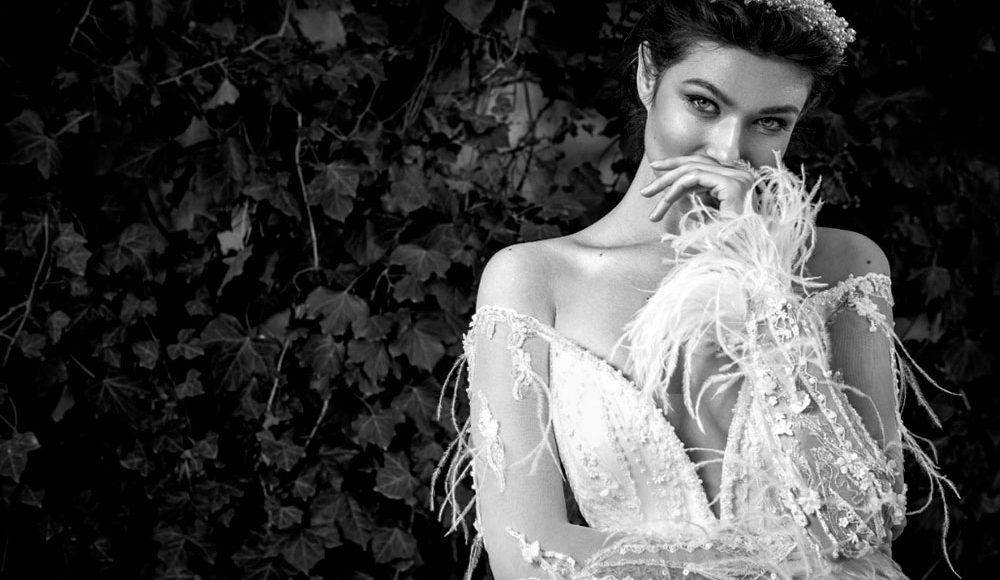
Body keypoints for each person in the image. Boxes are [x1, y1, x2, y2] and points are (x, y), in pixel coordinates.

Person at [434, 1, 951, 578]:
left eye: (770, 122)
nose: (728, 151)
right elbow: (523, 556)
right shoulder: (534, 278)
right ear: (647, 75)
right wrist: (777, 562)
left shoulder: (846, 264)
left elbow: (867, 522)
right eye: (704, 104)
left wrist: (762, 279)